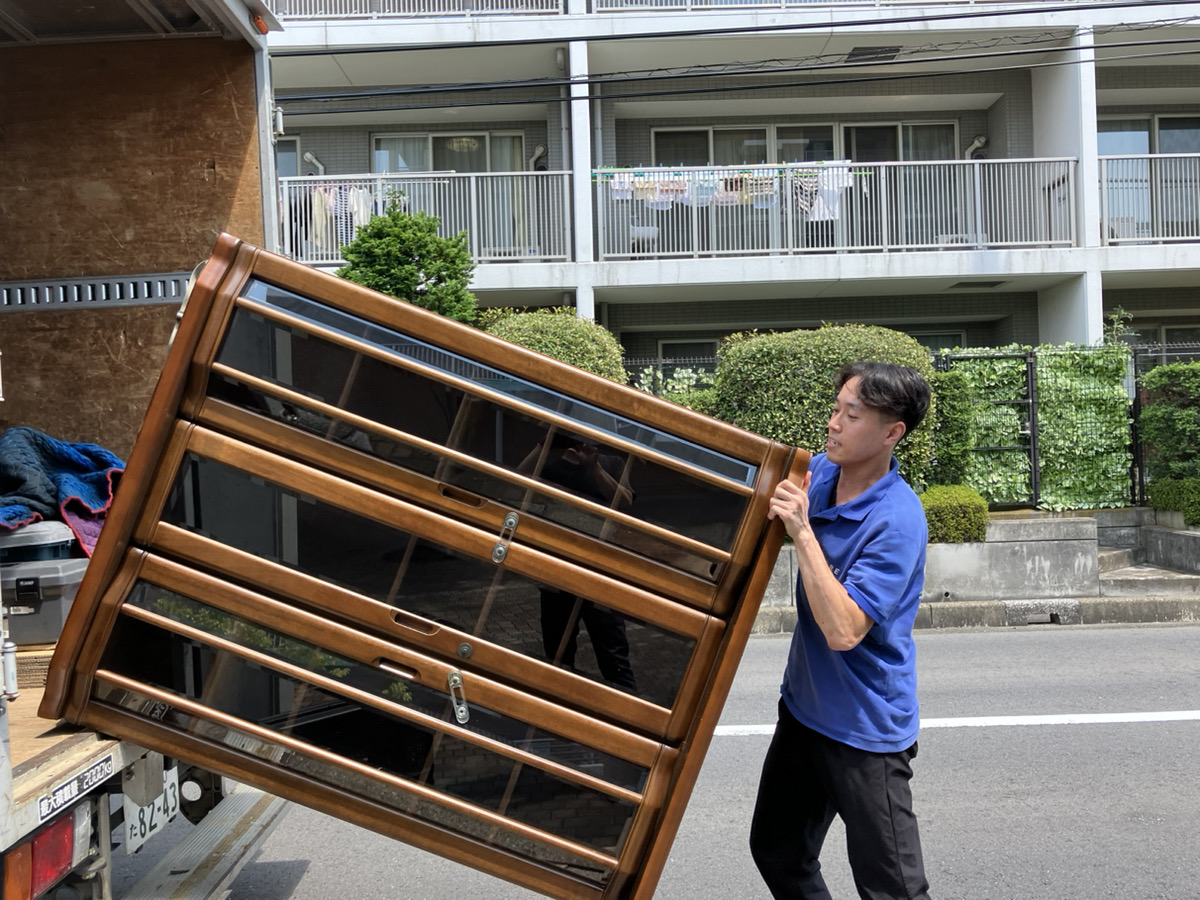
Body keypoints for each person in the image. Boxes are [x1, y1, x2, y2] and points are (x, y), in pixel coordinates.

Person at [749, 361, 933, 900]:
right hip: (805, 712)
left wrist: (801, 532)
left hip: (865, 729)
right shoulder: (823, 476)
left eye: (850, 415)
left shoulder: (897, 520)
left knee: (893, 888)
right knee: (779, 852)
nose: (833, 423)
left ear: (891, 432)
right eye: (835, 409)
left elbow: (844, 630)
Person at [518, 433, 638, 693]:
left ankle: (625, 714)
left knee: (613, 653)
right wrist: (545, 441)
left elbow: (624, 503)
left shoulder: (611, 462)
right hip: (557, 570)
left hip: (602, 573)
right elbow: (517, 480)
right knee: (557, 653)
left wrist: (593, 466)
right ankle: (559, 709)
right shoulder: (549, 463)